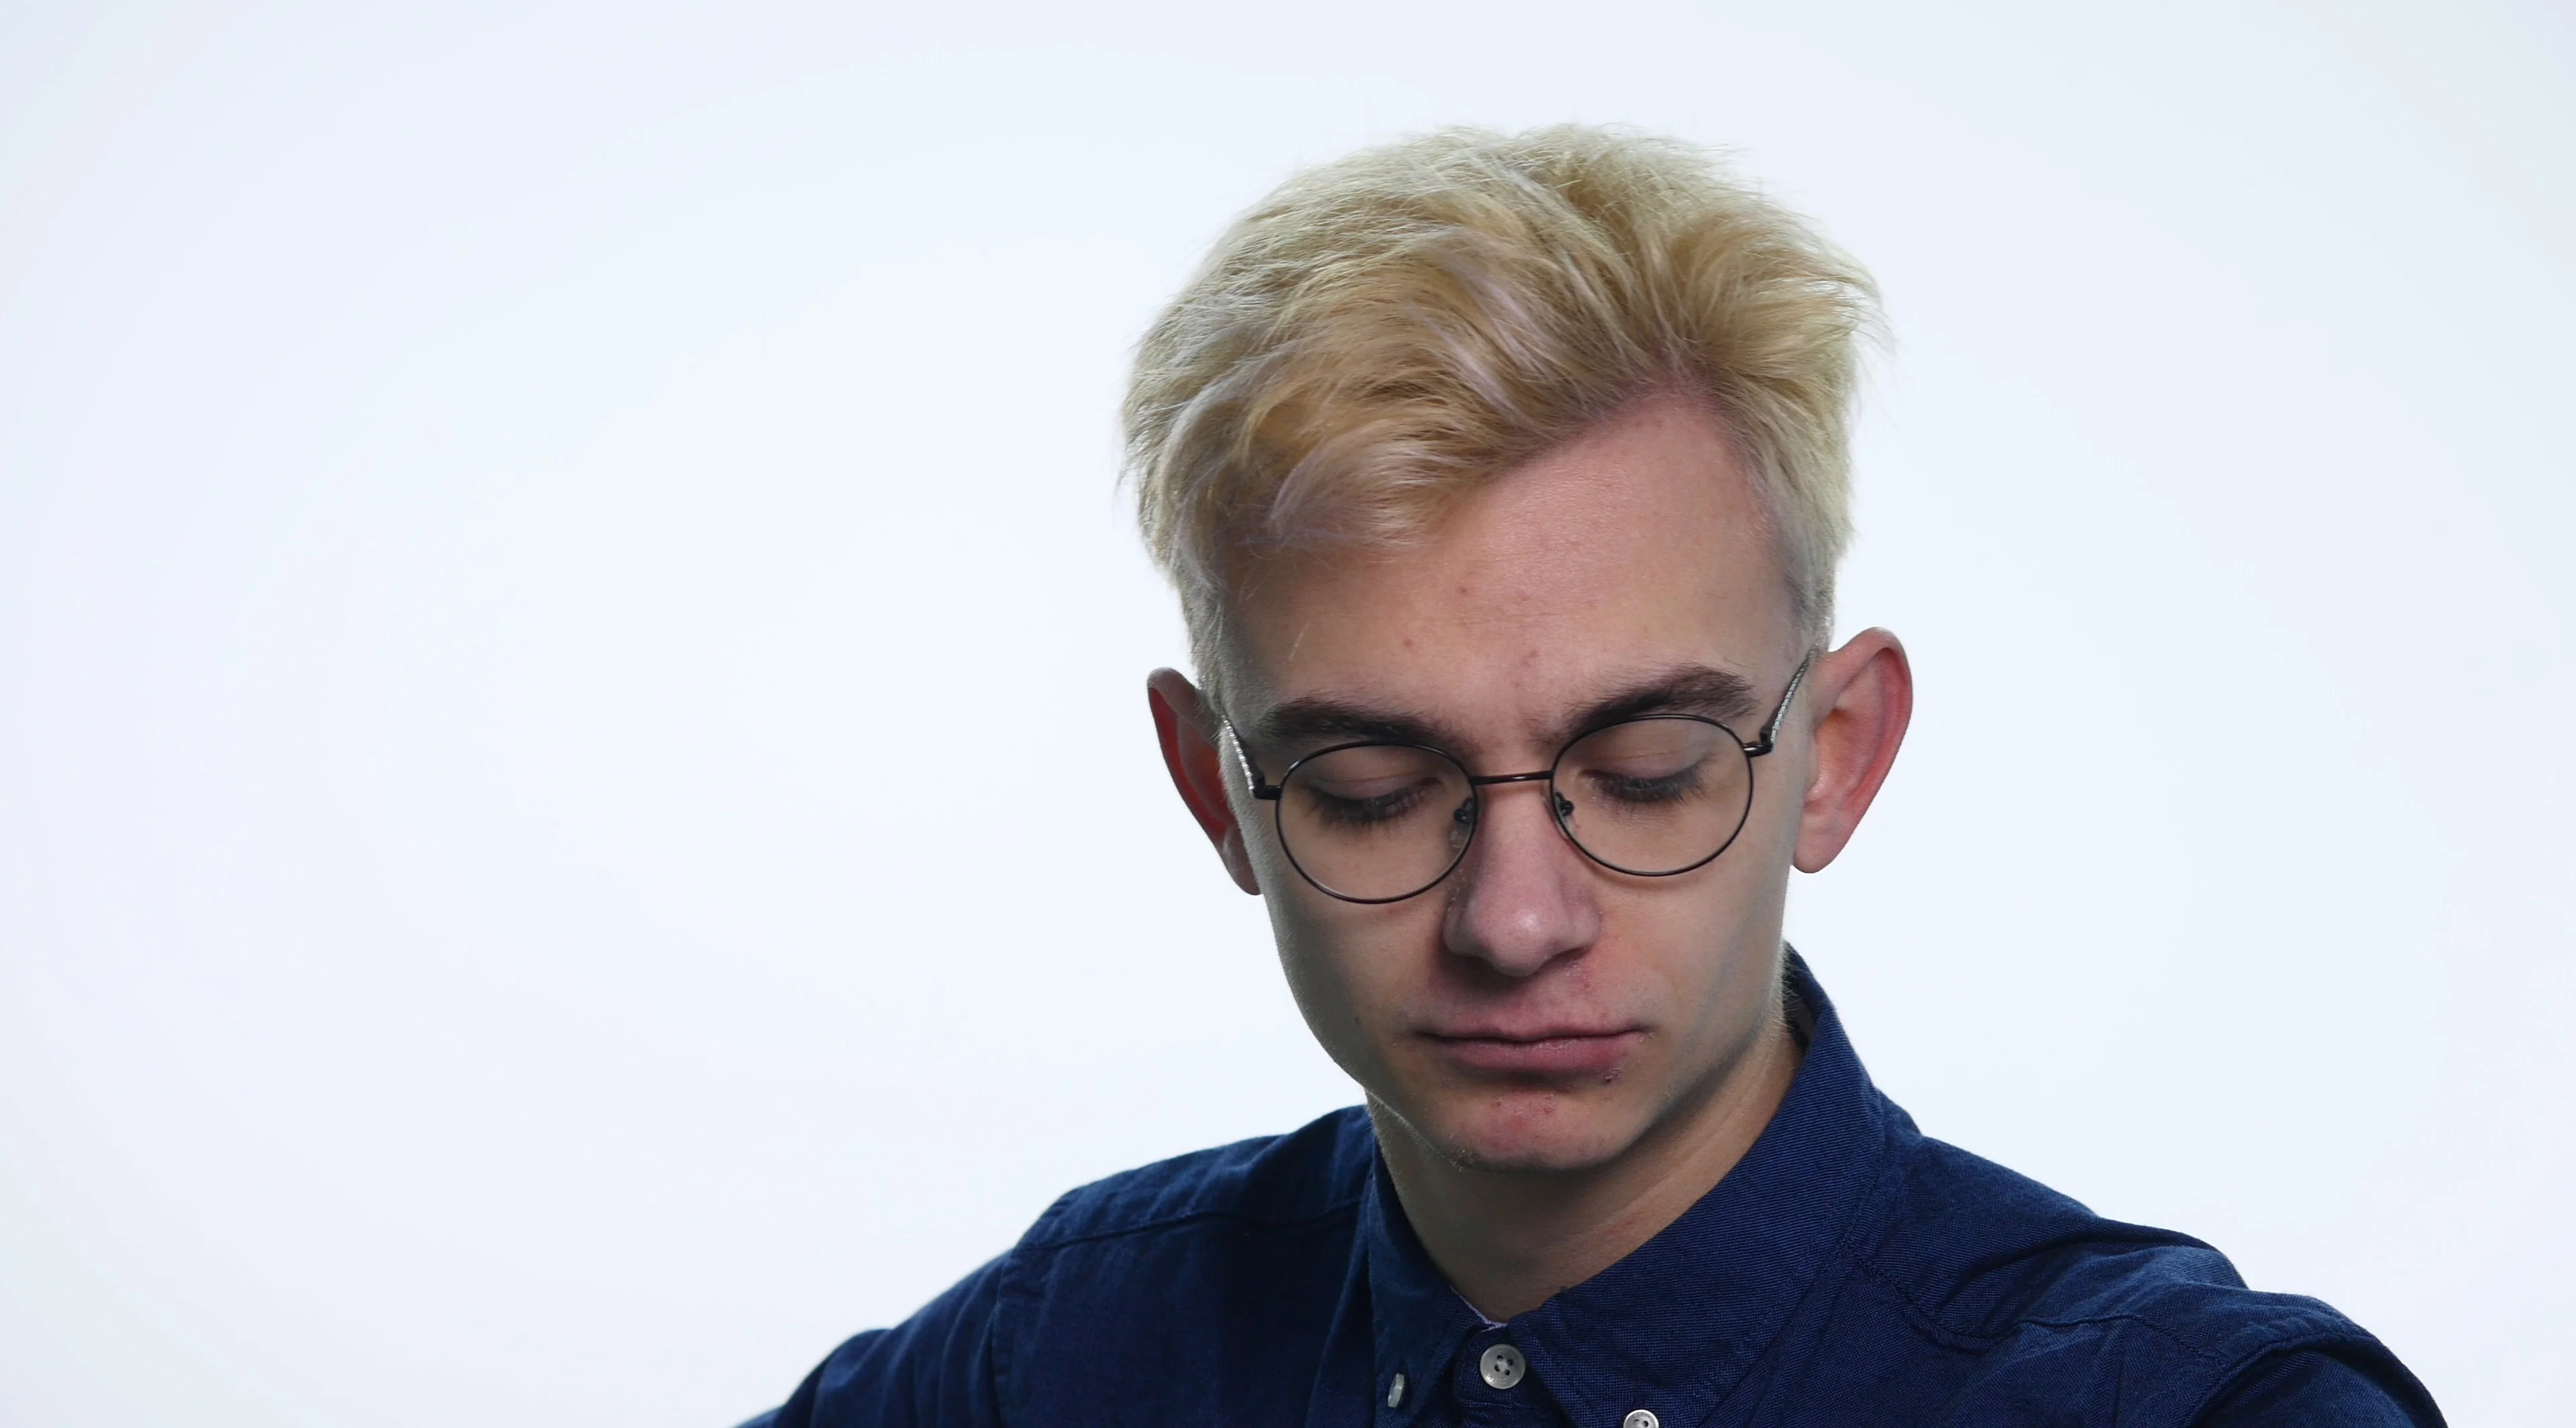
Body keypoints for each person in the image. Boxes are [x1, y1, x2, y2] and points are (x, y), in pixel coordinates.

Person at [743, 126, 2440, 1427]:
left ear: (1834, 758)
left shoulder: (2200, 1412)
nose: (1516, 920)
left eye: (1643, 771)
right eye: (1369, 785)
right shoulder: (1071, 1352)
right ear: (1217, 793)